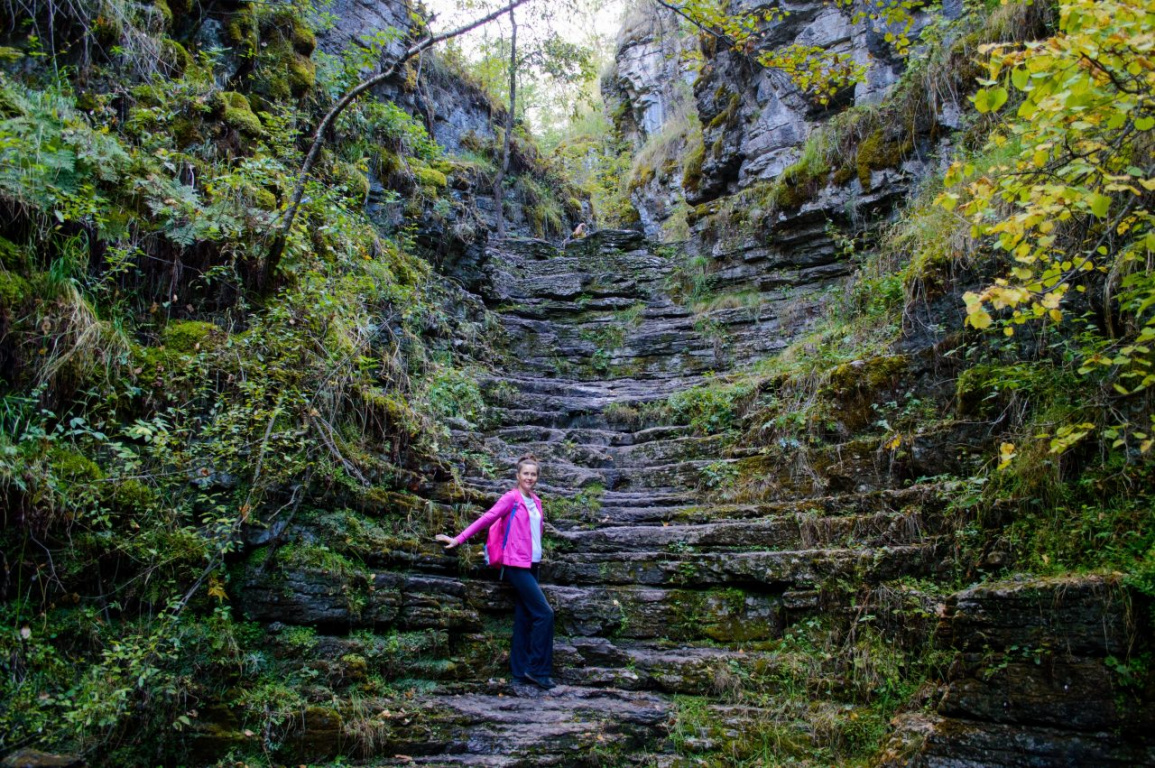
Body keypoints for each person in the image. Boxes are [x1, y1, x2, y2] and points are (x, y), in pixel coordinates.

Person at [435, 453, 556, 690]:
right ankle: (538, 671)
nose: (529, 478)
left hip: (533, 564)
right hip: (515, 564)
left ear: (537, 477)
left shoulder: (537, 501)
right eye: (525, 474)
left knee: (525, 617)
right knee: (545, 614)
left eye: (533, 474)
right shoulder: (511, 498)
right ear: (518, 476)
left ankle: (520, 672)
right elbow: (487, 518)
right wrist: (458, 539)